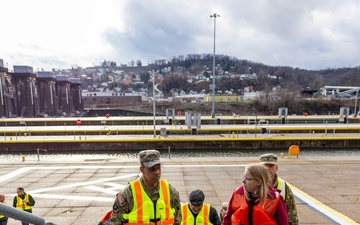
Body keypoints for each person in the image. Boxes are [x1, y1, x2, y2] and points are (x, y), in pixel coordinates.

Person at [110, 149, 181, 225]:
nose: (157, 172)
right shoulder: (128, 194)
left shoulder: (170, 191)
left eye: (158, 168)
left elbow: (178, 218)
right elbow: (116, 221)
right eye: (152, 169)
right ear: (142, 169)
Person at [222, 164, 288, 225]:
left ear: (259, 182)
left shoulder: (275, 199)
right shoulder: (237, 193)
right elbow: (227, 220)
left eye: (247, 179)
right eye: (243, 177)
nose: (243, 181)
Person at [259, 153, 299, 225]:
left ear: (276, 168)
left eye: (271, 166)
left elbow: (291, 213)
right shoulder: (253, 185)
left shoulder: (284, 187)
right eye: (265, 165)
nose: (268, 168)